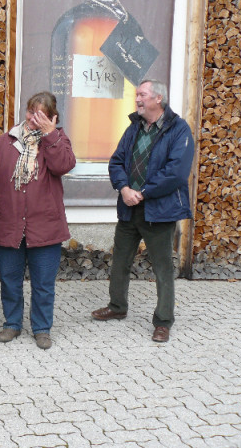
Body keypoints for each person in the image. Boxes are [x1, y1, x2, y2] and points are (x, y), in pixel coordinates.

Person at [91, 79, 195, 343]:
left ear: (158, 98)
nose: (137, 99)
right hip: (130, 208)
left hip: (159, 211)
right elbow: (116, 161)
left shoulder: (179, 129)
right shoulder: (134, 127)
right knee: (120, 262)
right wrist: (124, 188)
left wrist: (144, 193)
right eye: (137, 94)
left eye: (142, 95)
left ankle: (163, 321)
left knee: (162, 268)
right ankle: (117, 306)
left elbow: (176, 172)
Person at [0, 92, 75, 350]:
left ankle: (42, 328)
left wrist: (50, 134)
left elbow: (63, 165)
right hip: (9, 222)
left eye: (40, 115)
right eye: (31, 112)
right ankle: (12, 323)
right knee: (10, 280)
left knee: (43, 284)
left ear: (52, 117)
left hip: (45, 226)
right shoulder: (7, 140)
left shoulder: (58, 140)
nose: (33, 119)